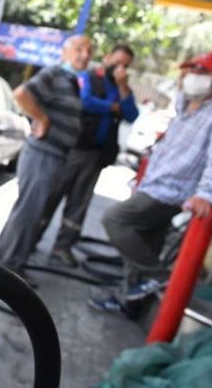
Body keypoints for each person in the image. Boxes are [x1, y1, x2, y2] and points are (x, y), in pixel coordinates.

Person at [90, 52, 212, 317]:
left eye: (200, 72)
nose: (192, 77)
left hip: (172, 191)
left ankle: (159, 276)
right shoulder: (189, 100)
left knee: (116, 220)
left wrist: (207, 194)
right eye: (190, 71)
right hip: (155, 182)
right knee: (144, 243)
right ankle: (129, 303)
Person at [0, 35, 93, 287]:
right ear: (65, 52)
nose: (84, 55)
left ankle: (1, 262)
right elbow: (21, 94)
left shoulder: (70, 80)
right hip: (44, 154)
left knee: (27, 211)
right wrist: (42, 119)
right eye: (79, 49)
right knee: (30, 213)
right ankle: (10, 270)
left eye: (89, 51)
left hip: (55, 155)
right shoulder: (55, 73)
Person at [36, 45, 140, 267]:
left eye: (125, 65)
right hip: (74, 150)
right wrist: (112, 107)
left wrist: (123, 88)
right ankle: (29, 239)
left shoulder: (121, 88)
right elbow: (85, 101)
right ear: (107, 58)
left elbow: (132, 114)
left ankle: (63, 246)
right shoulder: (88, 78)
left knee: (79, 203)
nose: (120, 68)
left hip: (96, 155)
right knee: (51, 196)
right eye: (117, 62)